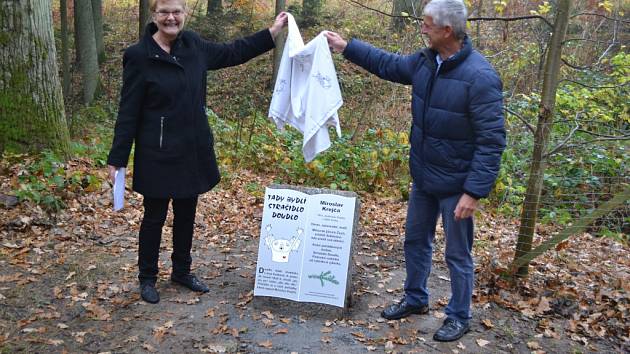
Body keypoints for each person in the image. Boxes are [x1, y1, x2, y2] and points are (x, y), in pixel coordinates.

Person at [326, 0, 506, 342]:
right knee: (415, 242)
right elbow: (389, 64)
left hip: (457, 185)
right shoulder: (426, 61)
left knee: (457, 254)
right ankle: (415, 299)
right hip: (424, 177)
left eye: (426, 24)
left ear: (447, 30)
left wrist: (473, 192)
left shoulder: (480, 78)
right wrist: (347, 47)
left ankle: (458, 315)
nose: (421, 28)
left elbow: (491, 142)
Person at [107, 0, 288, 304]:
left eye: (176, 11)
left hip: (191, 148)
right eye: (164, 12)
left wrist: (271, 33)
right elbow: (128, 112)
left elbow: (234, 52)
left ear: (185, 13)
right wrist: (117, 158)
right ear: (154, 15)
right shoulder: (138, 56)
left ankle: (181, 271)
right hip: (157, 151)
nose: (171, 18)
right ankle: (147, 278)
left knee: (186, 213)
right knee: (154, 217)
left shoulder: (194, 46)